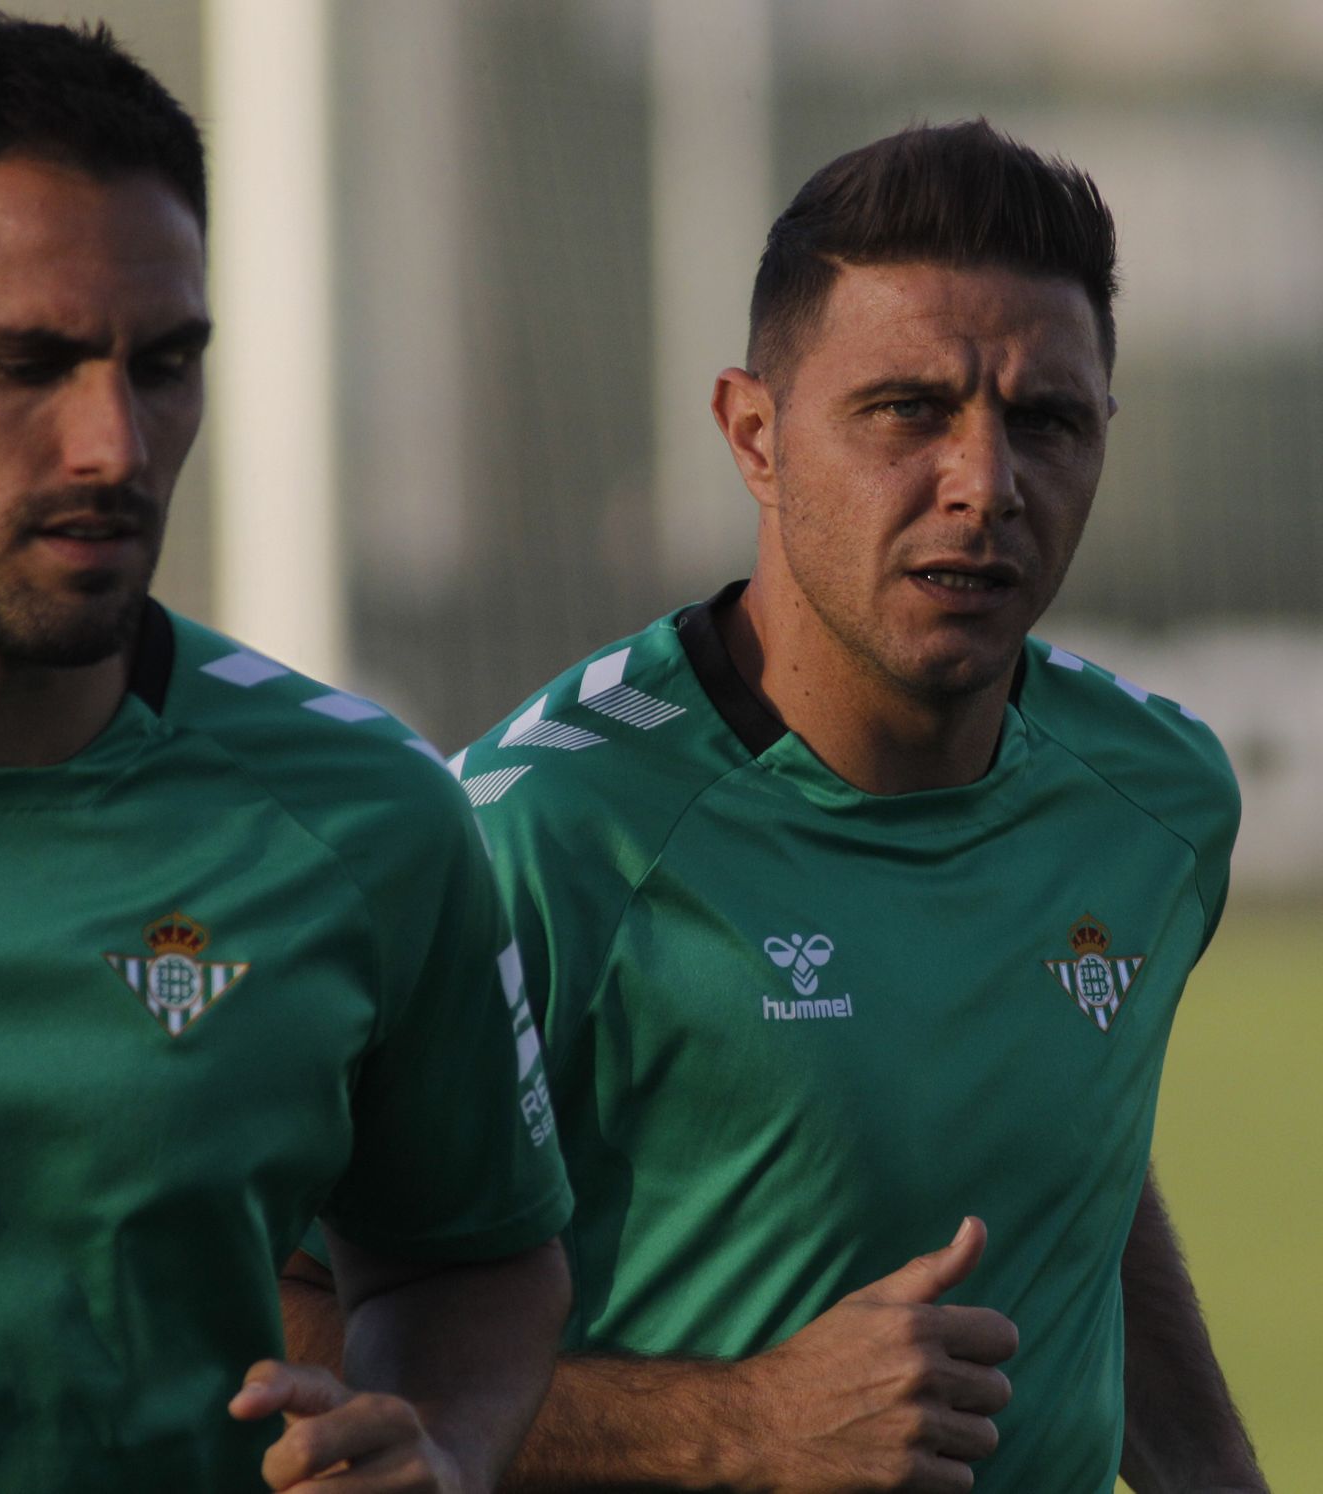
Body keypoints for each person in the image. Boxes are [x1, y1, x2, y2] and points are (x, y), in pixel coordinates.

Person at [283, 122, 1268, 1492]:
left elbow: (1078, 1166)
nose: (986, 483)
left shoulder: (1155, 798)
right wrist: (737, 1425)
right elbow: (279, 1316)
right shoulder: (539, 834)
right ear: (755, 434)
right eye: (908, 409)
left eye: (1046, 419)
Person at [0, 16, 572, 1493]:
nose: (113, 442)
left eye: (165, 363)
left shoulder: (365, 818)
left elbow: (479, 1264)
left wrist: (437, 1439)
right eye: (26, 364)